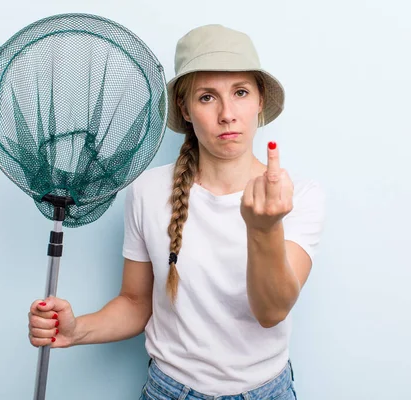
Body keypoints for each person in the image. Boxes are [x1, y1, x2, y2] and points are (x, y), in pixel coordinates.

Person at [27, 24, 326, 399]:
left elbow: (271, 312)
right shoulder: (147, 191)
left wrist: (264, 228)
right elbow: (136, 304)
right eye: (206, 97)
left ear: (260, 100)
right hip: (169, 391)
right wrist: (76, 330)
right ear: (184, 109)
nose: (227, 114)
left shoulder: (298, 195)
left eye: (240, 92)